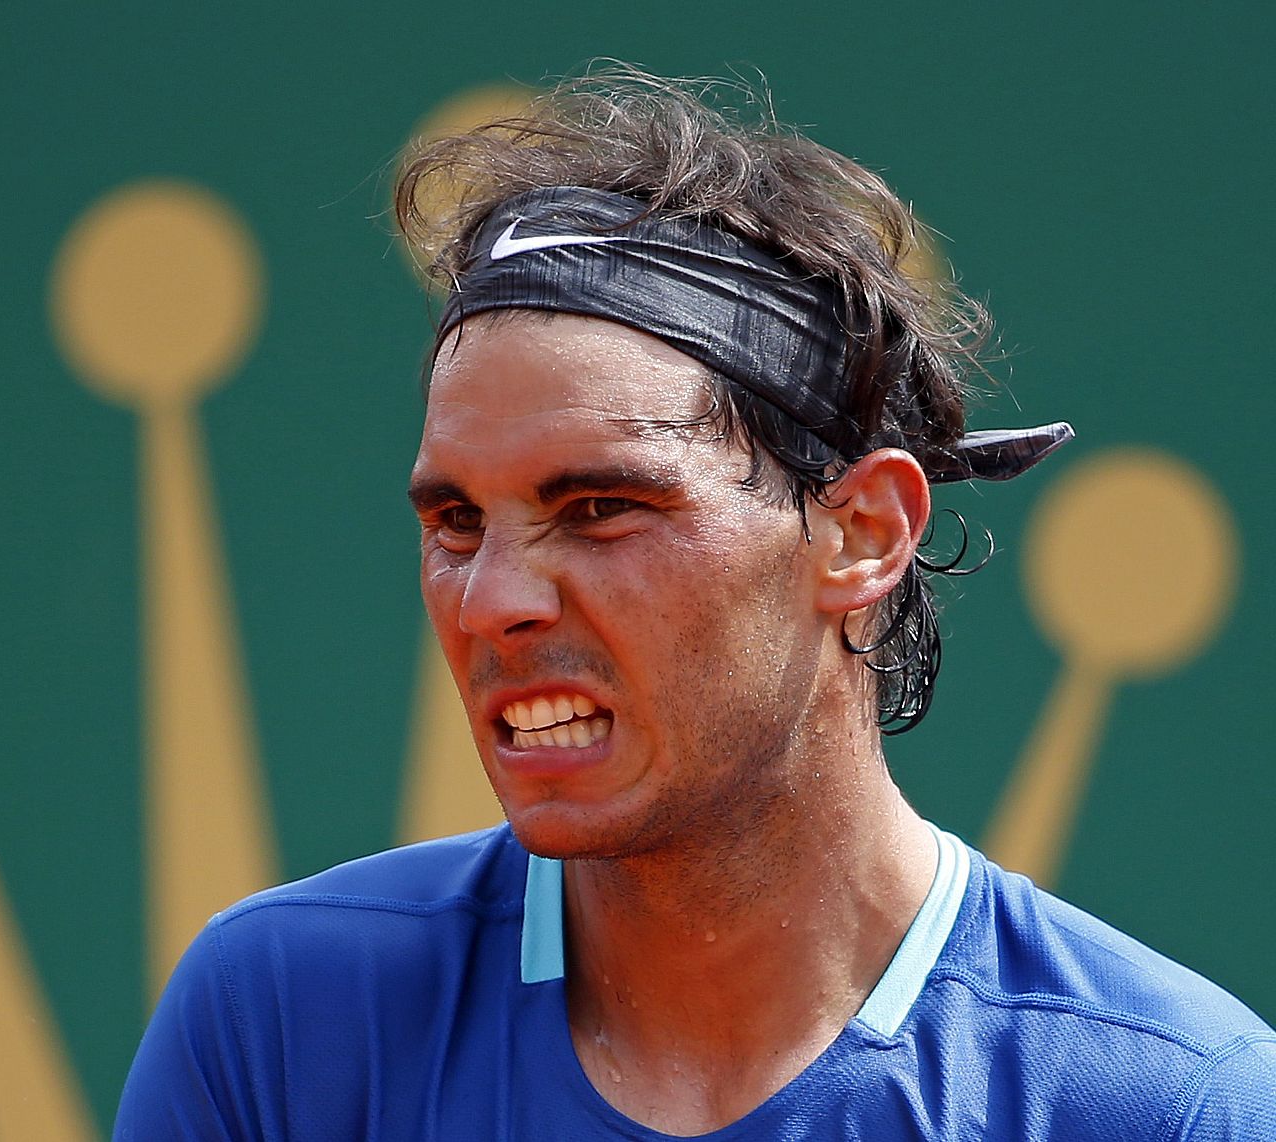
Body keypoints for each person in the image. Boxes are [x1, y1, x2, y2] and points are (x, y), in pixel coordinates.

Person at [115, 70, 1275, 1139]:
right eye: (455, 521)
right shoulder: (269, 1022)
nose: (491, 602)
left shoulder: (1174, 1104)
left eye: (602, 506)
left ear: (862, 532)